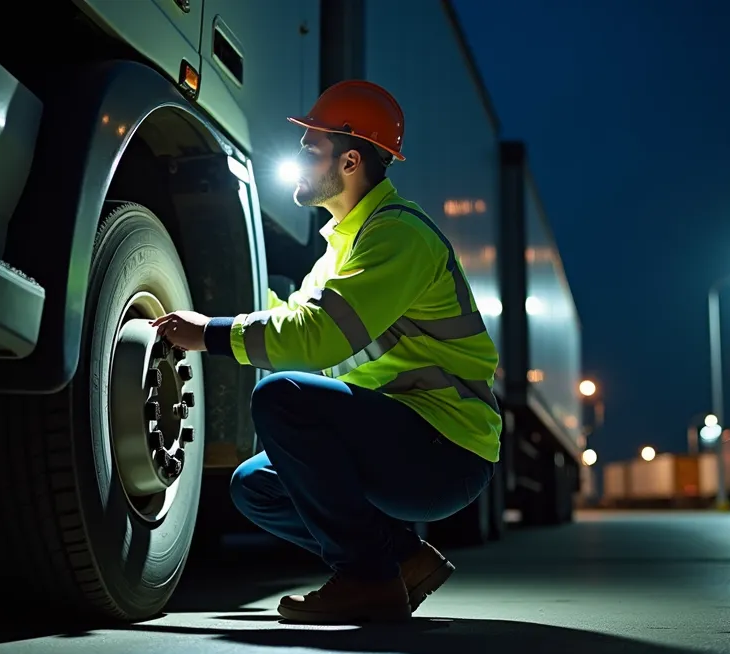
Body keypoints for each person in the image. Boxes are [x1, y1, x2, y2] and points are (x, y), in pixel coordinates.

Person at [152, 80, 502, 624]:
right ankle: (401, 562)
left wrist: (213, 333)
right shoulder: (342, 247)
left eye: (310, 148)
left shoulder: (398, 234)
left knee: (282, 399)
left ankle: (366, 580)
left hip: (445, 447)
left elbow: (318, 337)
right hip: (399, 436)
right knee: (255, 488)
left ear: (350, 159)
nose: (299, 158)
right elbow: (298, 330)